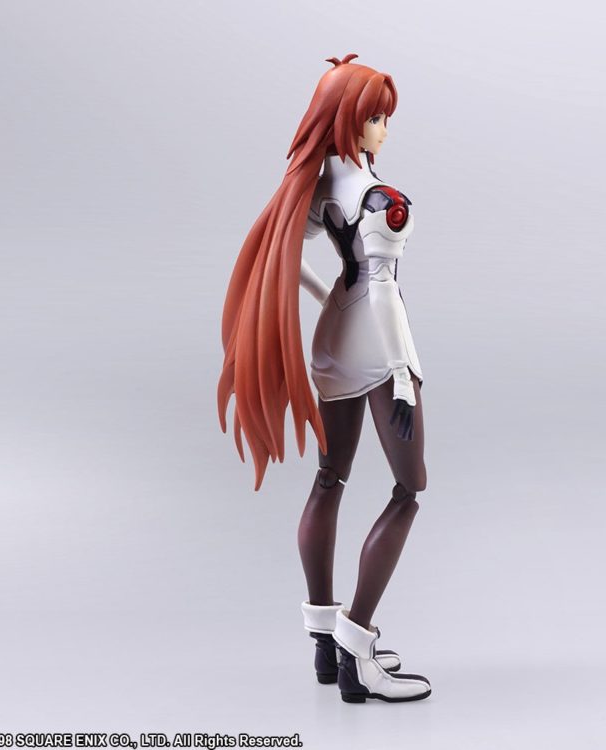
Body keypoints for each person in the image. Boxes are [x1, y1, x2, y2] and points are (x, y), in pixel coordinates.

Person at [218, 54, 431, 703]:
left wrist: (328, 301)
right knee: (409, 488)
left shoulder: (321, 183)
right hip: (376, 338)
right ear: (351, 120)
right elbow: (383, 291)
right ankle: (356, 645)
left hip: (334, 336)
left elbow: (287, 261)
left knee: (330, 476)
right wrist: (401, 374)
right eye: (377, 118)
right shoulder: (382, 201)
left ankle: (322, 639)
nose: (385, 129)